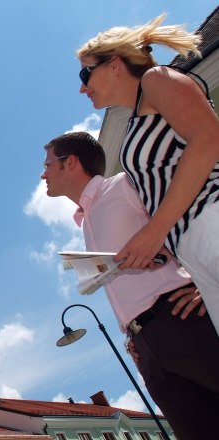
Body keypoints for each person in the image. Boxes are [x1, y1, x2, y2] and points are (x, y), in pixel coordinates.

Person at [41, 131, 219, 440]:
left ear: (70, 163)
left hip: (182, 318)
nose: (43, 174)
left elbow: (198, 217)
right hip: (147, 347)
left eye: (47, 164)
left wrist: (208, 285)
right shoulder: (85, 219)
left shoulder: (124, 185)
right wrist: (135, 336)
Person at [76, 14, 219, 334]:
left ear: (114, 64)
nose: (83, 87)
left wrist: (154, 233)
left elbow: (209, 138)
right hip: (193, 250)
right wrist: (162, 245)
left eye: (85, 72)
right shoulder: (135, 122)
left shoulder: (156, 79)